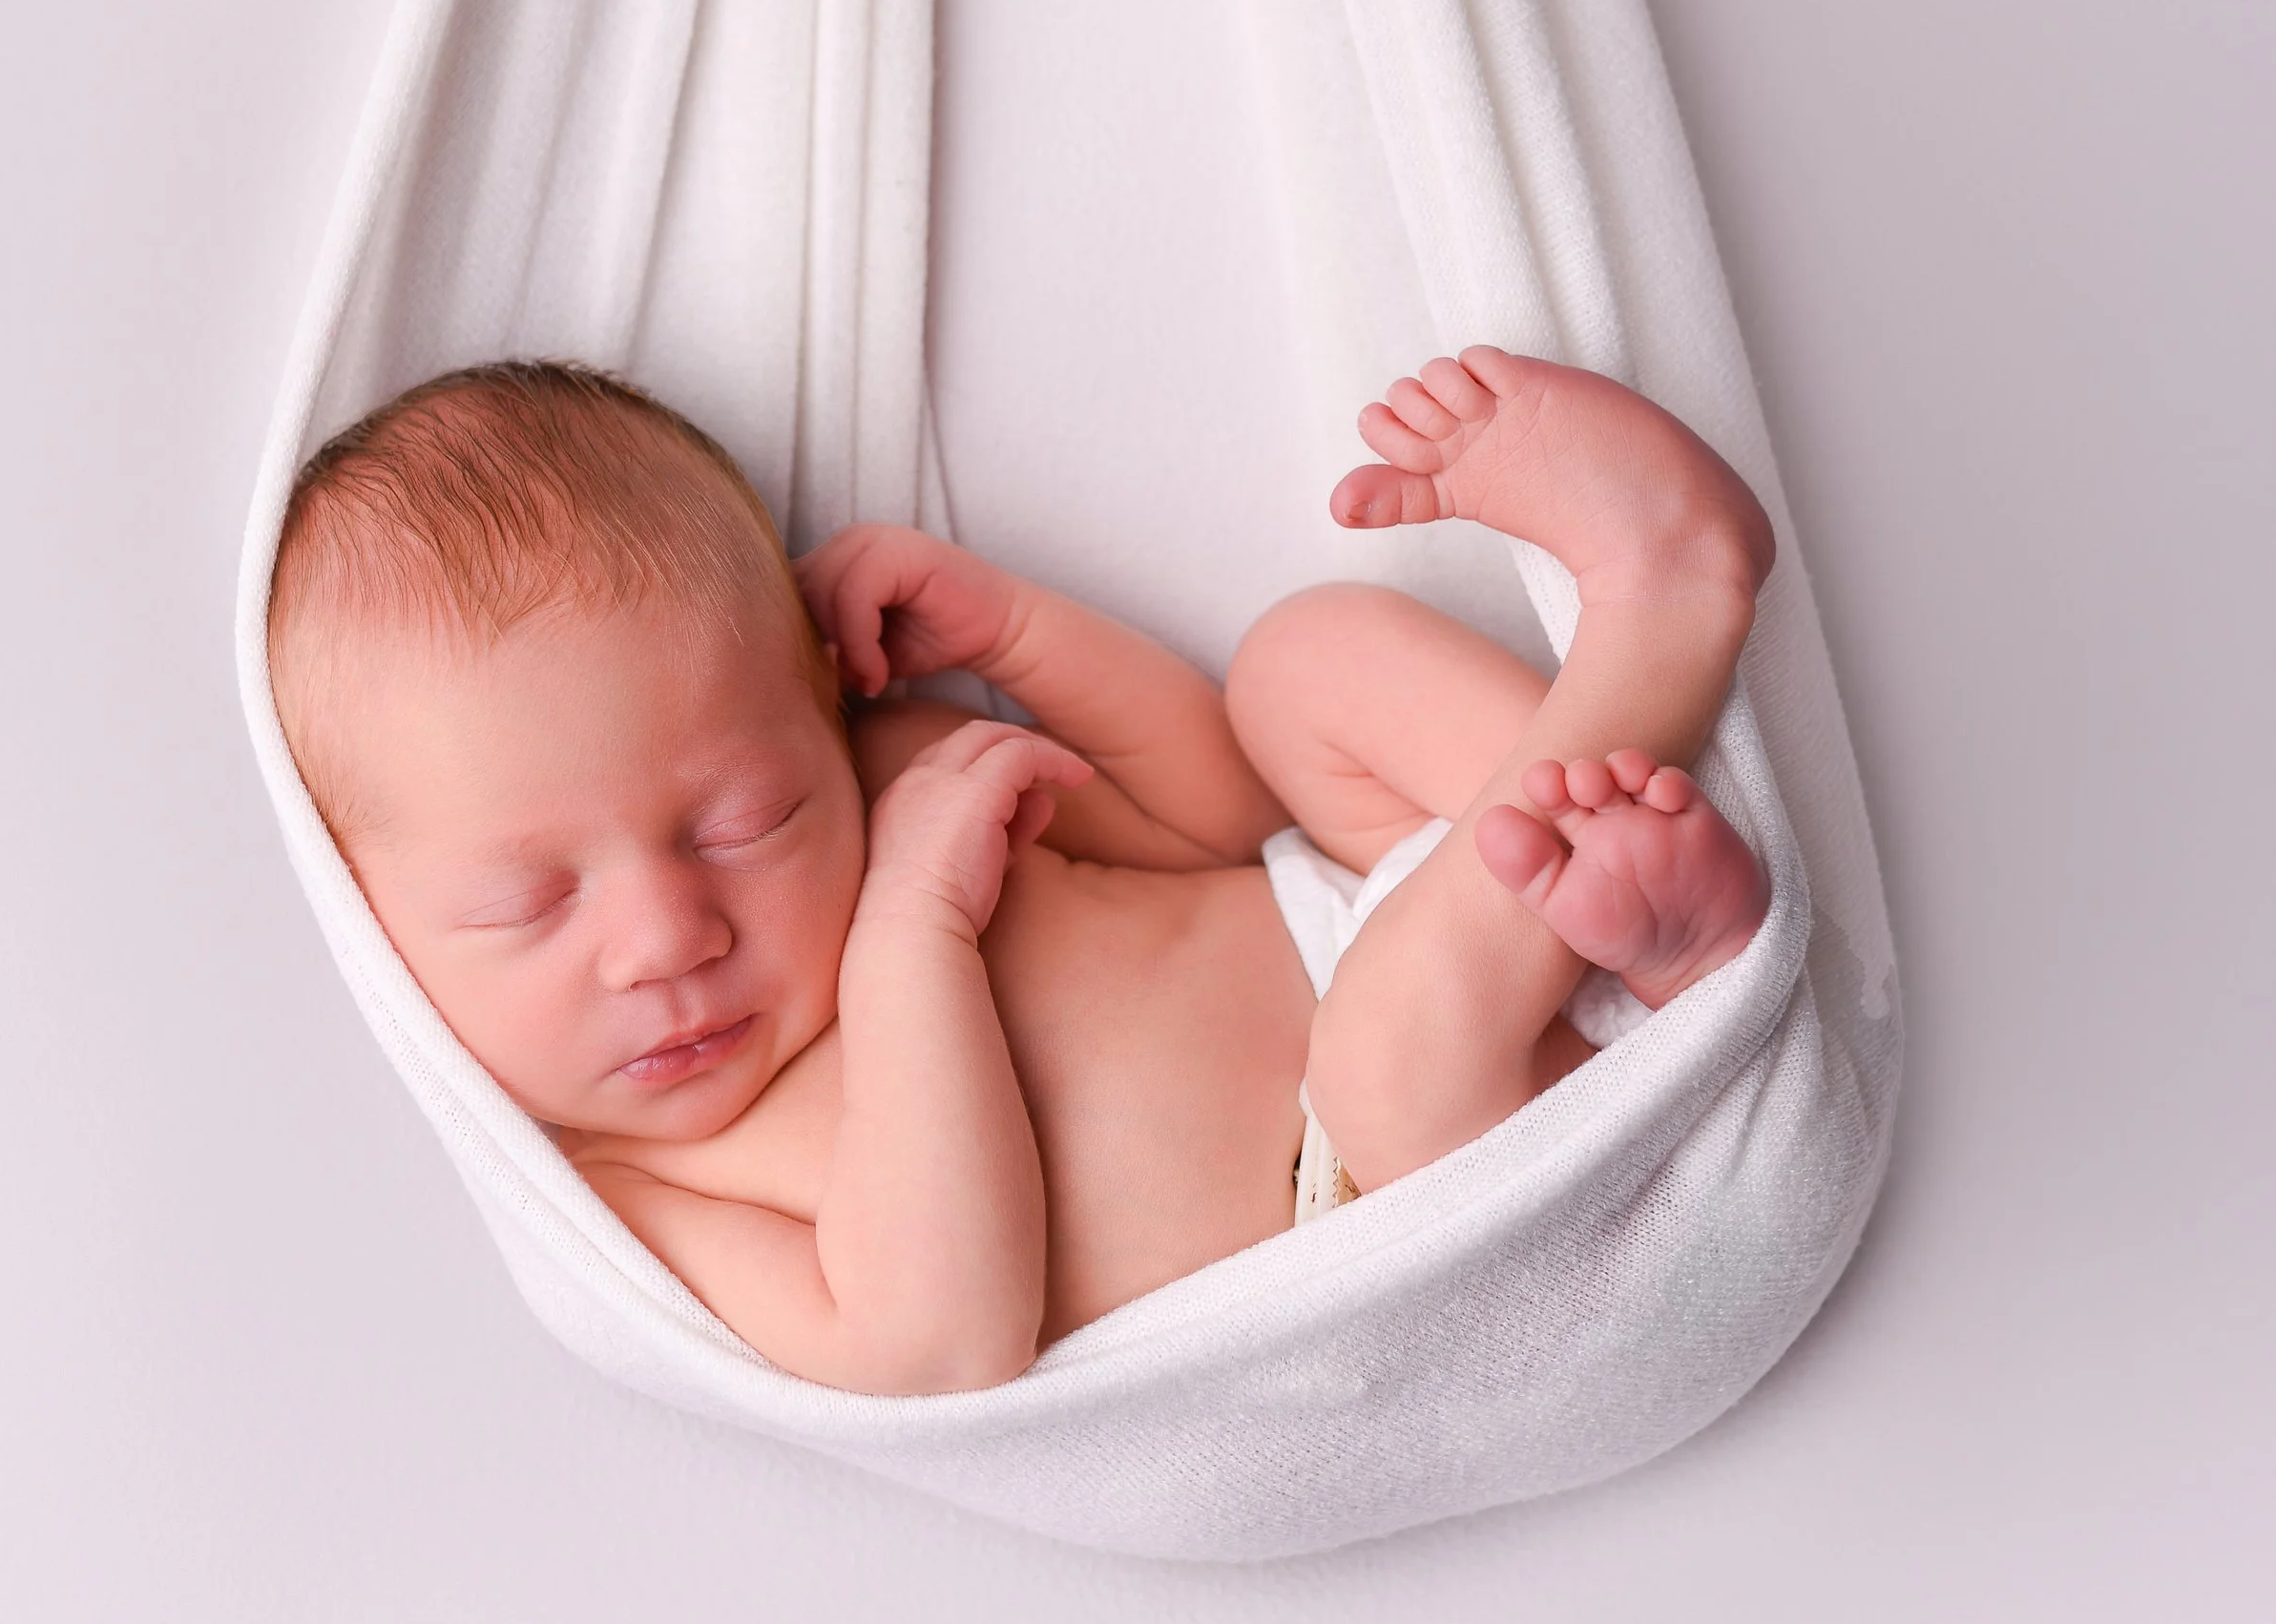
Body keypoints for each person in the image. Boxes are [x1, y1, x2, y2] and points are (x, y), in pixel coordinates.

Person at [266, 345, 1772, 1392]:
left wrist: (1014, 641)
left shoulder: (883, 783)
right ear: (368, 922)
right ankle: (1663, 603)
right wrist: (910, 942)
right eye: (531, 902)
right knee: (1389, 1054)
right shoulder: (633, 1188)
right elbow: (937, 1340)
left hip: (1390, 916)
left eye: (737, 821)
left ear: (810, 708)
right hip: (1397, 1190)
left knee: (1305, 664)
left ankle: (1631, 897)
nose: (668, 934)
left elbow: (1214, 820)